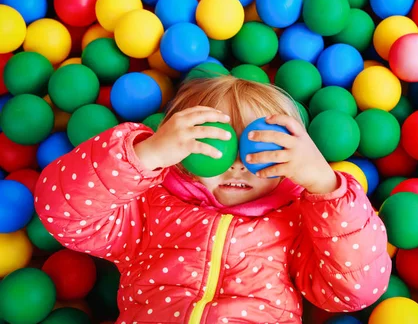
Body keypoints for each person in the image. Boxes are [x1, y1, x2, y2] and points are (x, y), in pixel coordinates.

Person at [35, 75, 392, 324]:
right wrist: (145, 155)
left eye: (261, 148)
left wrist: (325, 186)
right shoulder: (147, 207)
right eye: (215, 146)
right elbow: (62, 213)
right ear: (180, 151)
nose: (237, 165)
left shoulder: (297, 221)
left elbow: (356, 289)